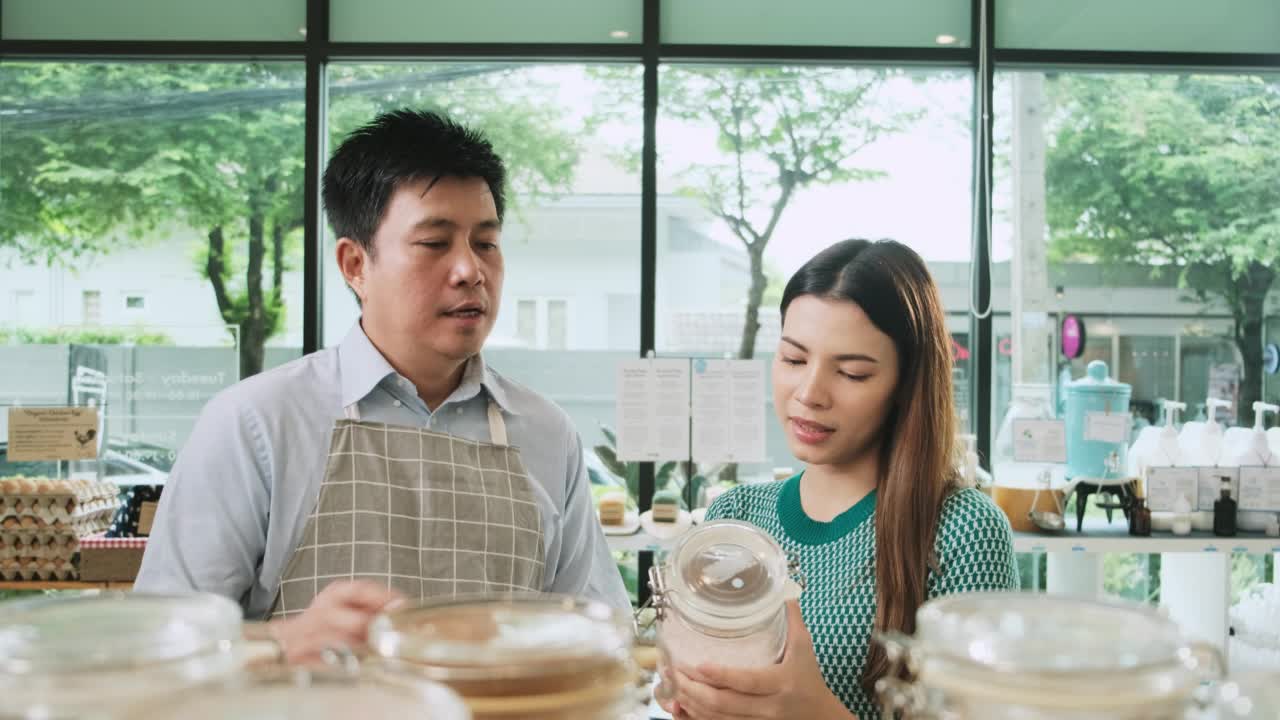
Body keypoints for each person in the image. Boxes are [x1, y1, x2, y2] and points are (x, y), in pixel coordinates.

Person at [136, 109, 629, 661]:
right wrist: (278, 643)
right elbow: (159, 646)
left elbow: (598, 640)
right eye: (434, 243)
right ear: (354, 264)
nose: (470, 271)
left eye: (485, 243)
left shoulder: (545, 432)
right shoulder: (257, 422)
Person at [660, 239, 1018, 720]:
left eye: (850, 373)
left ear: (905, 385)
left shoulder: (963, 531)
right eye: (792, 359)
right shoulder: (735, 516)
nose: (809, 394)